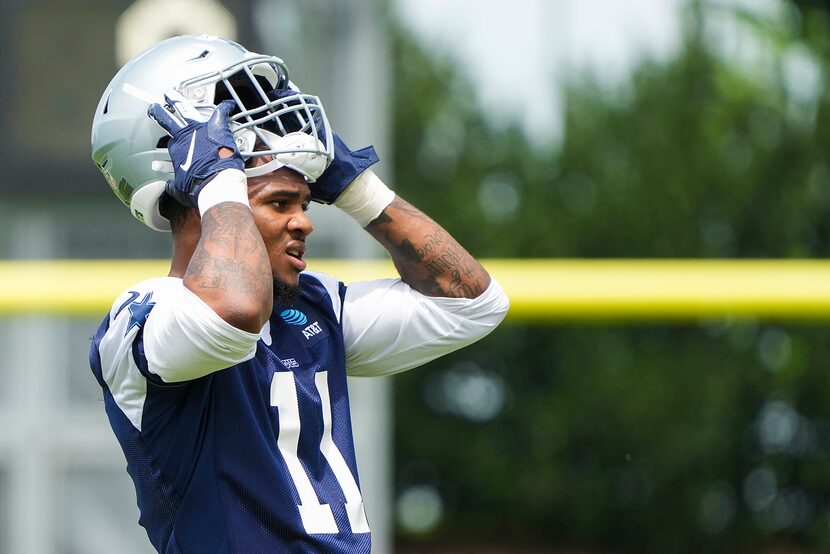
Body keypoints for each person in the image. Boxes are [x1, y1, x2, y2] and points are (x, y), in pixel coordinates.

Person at [89, 34, 509, 553]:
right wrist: (218, 181)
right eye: (280, 202)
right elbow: (231, 313)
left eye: (305, 201)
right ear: (196, 191)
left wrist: (358, 189)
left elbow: (471, 302)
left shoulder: (307, 304)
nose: (304, 222)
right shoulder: (144, 316)